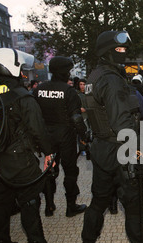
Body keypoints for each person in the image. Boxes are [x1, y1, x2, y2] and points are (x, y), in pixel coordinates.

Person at [80, 30, 143, 243]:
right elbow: (121, 121)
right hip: (121, 150)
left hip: (103, 149)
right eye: (119, 50)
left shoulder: (94, 76)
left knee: (98, 202)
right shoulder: (112, 79)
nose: (124, 55)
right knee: (134, 207)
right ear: (107, 51)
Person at [0, 48, 62, 243]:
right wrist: (49, 153)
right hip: (19, 160)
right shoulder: (21, 96)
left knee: (0, 205)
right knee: (29, 202)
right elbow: (38, 129)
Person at [33, 56, 88, 217]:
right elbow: (76, 118)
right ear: (63, 72)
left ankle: (49, 206)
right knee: (70, 172)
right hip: (66, 136)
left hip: (47, 137)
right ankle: (71, 206)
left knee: (50, 169)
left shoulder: (39, 89)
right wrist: (84, 136)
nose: (70, 74)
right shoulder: (68, 91)